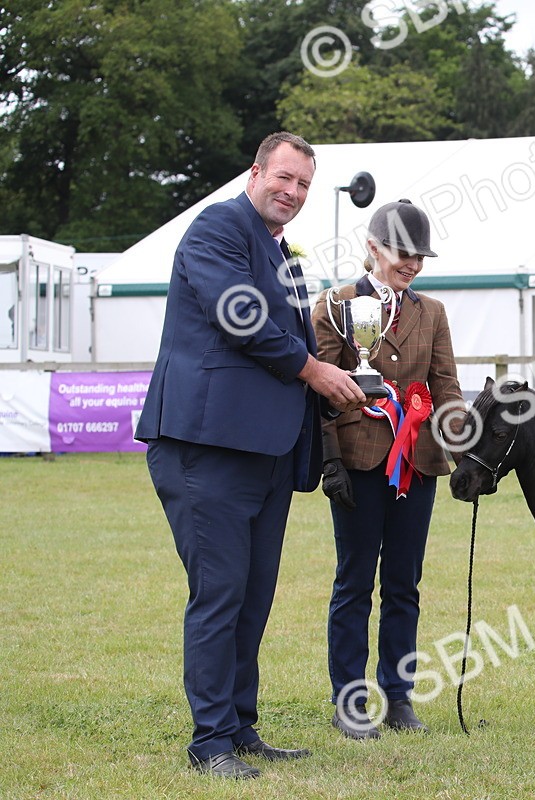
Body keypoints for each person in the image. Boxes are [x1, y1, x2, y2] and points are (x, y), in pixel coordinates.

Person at [136, 132, 367, 779]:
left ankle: (239, 725)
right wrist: (313, 371)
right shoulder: (218, 227)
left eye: (303, 185)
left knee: (252, 596)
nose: (291, 192)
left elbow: (288, 337)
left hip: (265, 453)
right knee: (220, 593)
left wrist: (340, 382)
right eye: (284, 178)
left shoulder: (279, 254)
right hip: (206, 448)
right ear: (256, 172)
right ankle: (209, 740)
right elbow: (238, 317)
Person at [312, 199, 463, 739]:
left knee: (404, 584)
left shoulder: (433, 313)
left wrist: (464, 441)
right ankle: (349, 702)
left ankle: (398, 698)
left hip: (416, 464)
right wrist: (331, 460)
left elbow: (444, 385)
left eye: (420, 257)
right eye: (404, 254)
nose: (413, 265)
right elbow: (323, 389)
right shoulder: (334, 305)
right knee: (354, 583)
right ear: (372, 248)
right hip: (357, 461)